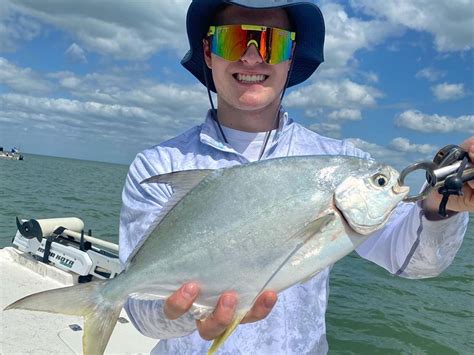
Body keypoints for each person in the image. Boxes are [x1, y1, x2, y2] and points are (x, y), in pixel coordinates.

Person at [119, 0, 473, 353]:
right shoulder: (158, 166)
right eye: (233, 40)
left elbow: (412, 261)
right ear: (209, 53)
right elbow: (140, 312)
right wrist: (188, 314)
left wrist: (442, 208)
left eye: (273, 44)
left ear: (291, 59)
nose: (253, 57)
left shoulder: (347, 166)